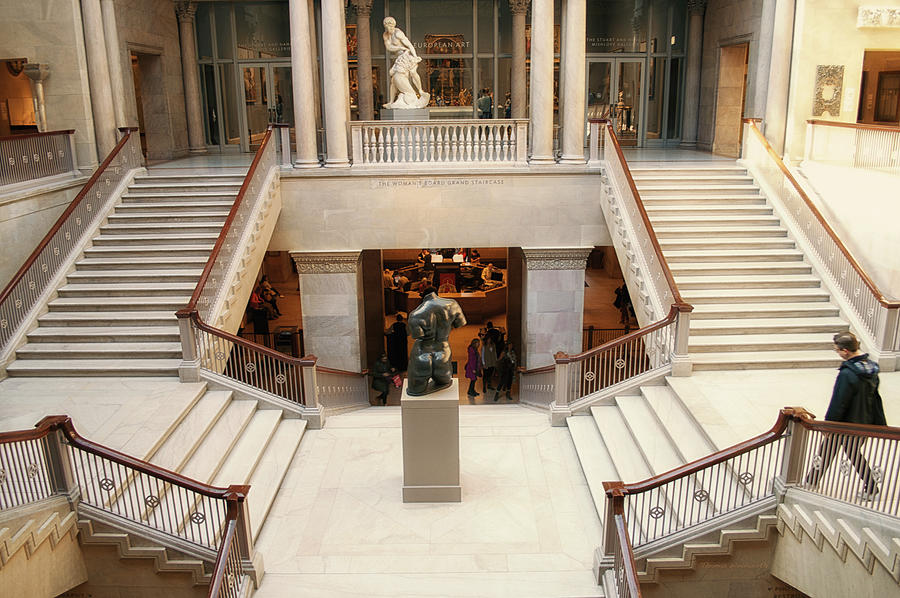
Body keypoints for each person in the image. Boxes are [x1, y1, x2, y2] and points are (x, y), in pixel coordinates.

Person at [805, 331, 887, 501]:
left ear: (845, 351)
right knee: (843, 451)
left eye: (837, 350)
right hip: (863, 422)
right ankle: (812, 481)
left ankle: (811, 483)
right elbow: (875, 399)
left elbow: (839, 402)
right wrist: (880, 424)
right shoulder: (871, 369)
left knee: (831, 450)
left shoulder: (847, 374)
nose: (837, 353)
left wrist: (828, 425)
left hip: (844, 424)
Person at [406, 286, 467, 395]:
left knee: (415, 391)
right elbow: (459, 324)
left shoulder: (415, 315)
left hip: (422, 354)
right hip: (443, 352)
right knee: (445, 382)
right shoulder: (452, 304)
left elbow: (418, 336)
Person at [382, 17, 430, 109]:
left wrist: (415, 56)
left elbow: (409, 45)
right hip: (399, 58)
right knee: (393, 81)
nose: (390, 29)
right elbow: (389, 48)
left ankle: (420, 91)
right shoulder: (386, 35)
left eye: (391, 26)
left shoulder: (398, 33)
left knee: (413, 72)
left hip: (407, 56)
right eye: (388, 26)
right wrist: (400, 48)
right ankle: (391, 102)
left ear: (394, 25)